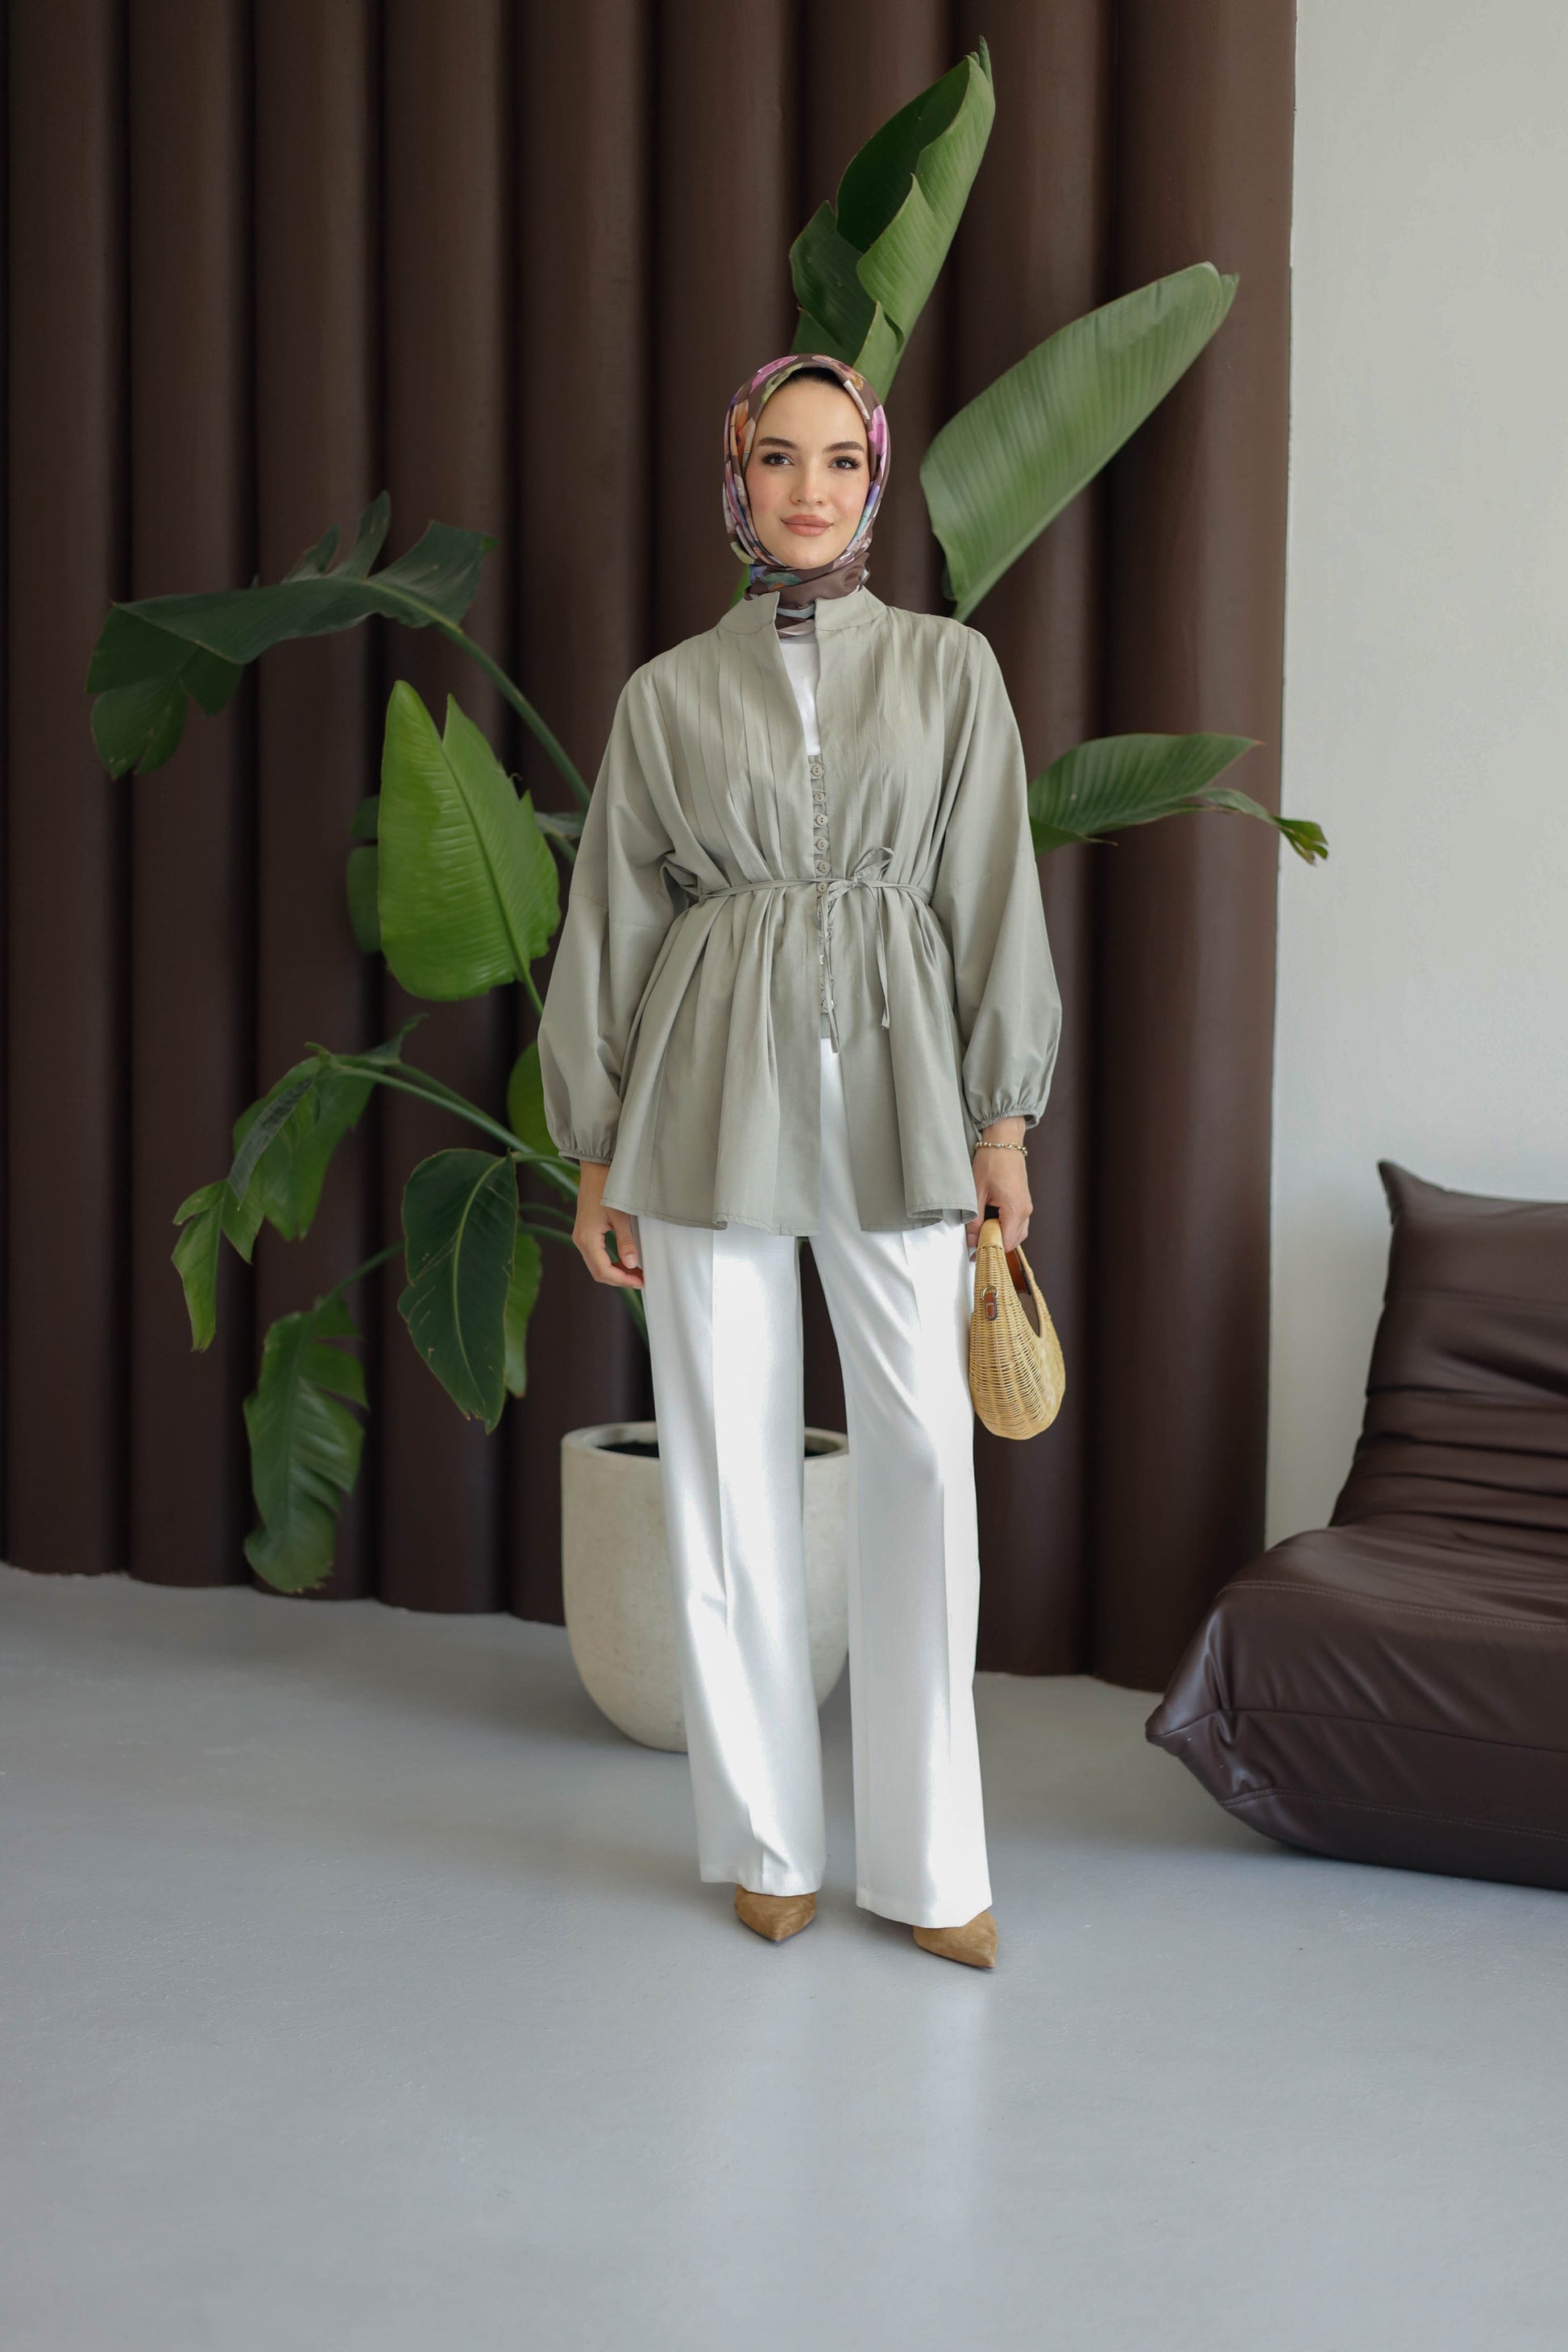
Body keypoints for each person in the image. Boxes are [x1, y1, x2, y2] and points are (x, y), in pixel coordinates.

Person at [537, 352, 1061, 1969]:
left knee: (921, 1464)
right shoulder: (666, 695)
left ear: (874, 478)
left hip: (903, 1087)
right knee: (725, 1464)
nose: (810, 488)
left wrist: (1000, 1121)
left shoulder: (951, 670)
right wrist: (594, 1153)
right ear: (737, 476)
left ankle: (934, 1864)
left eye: (840, 459)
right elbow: (611, 924)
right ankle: (766, 1836)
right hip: (704, 1091)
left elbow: (991, 890)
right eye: (779, 457)